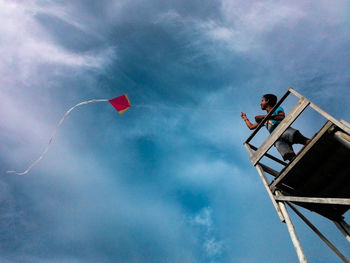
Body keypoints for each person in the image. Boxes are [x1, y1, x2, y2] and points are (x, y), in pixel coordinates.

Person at [241, 94, 310, 161]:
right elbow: (251, 127)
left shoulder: (276, 108)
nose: (260, 103)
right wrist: (245, 117)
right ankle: (294, 159)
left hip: (284, 130)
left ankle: (308, 142)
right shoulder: (264, 120)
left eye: (262, 101)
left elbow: (281, 116)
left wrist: (264, 117)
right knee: (287, 153)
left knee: (297, 137)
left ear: (267, 100)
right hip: (277, 138)